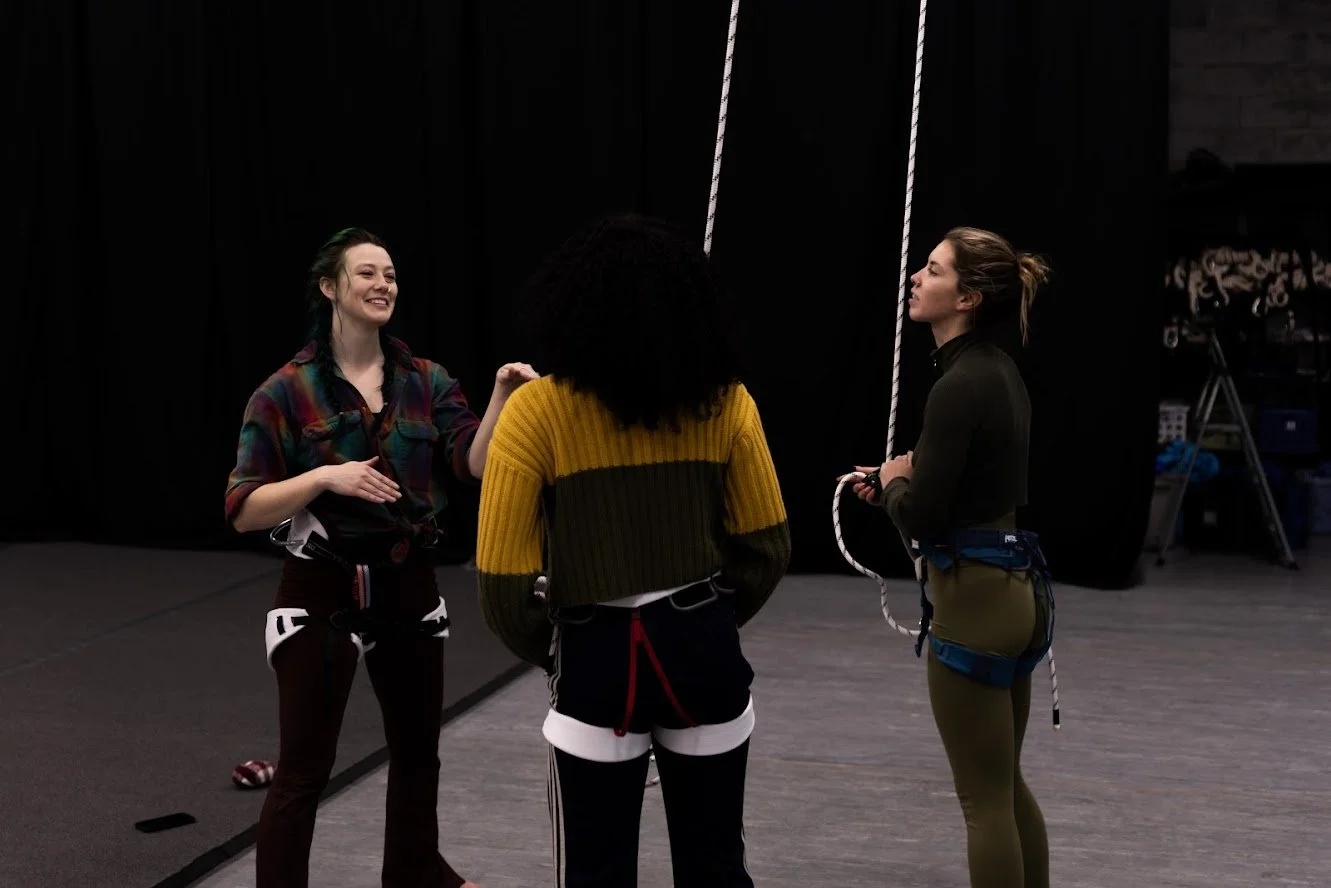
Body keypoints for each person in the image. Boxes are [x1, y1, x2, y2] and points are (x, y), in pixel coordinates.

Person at [473, 213, 791, 886]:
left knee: (595, 871)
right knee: (715, 867)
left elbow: (502, 582)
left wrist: (553, 649)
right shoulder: (727, 403)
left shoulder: (534, 413)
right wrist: (703, 619)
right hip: (701, 645)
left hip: (594, 655)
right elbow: (766, 546)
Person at [224, 226, 537, 888]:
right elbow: (245, 507)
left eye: (389, 274)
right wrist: (323, 479)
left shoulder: (427, 381)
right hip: (321, 588)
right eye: (366, 273)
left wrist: (505, 395)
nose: (382, 284)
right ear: (331, 288)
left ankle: (414, 872)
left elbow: (472, 462)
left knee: (419, 754)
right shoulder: (284, 391)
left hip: (407, 585)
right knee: (304, 767)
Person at [848, 226, 1053, 888]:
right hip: (1015, 593)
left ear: (965, 296)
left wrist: (893, 481)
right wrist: (893, 482)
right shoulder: (999, 373)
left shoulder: (958, 385)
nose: (916, 277)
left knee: (981, 801)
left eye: (932, 270)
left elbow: (923, 514)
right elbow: (956, 493)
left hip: (974, 601)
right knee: (1004, 785)